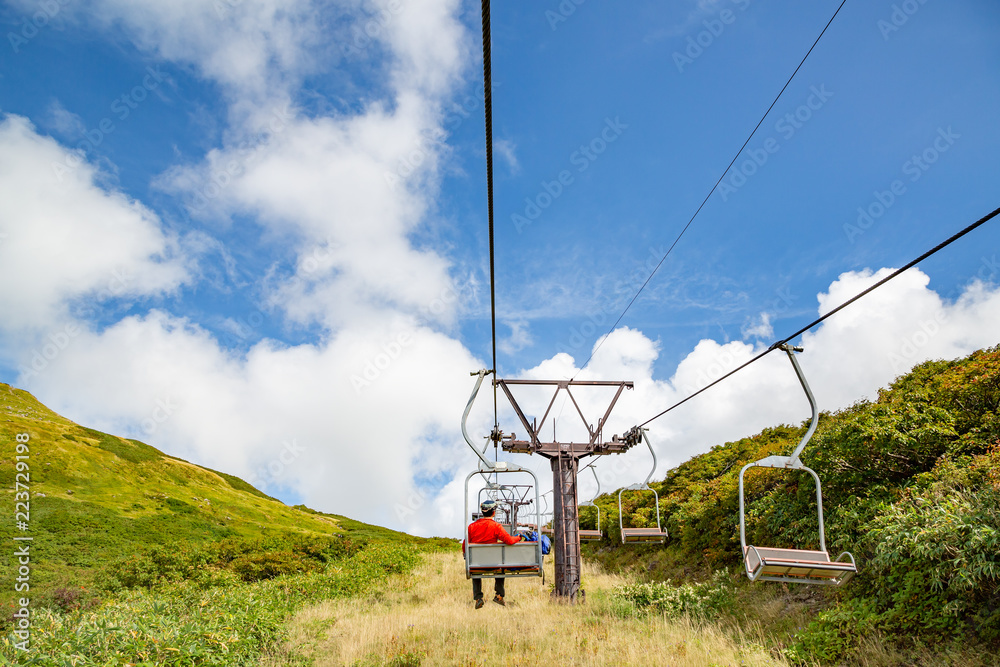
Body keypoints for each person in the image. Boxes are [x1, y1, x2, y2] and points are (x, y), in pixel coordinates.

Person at [463, 499, 524, 608]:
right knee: (501, 566)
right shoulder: (496, 526)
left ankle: (478, 598)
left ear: (482, 512)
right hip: (494, 564)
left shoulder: (471, 527)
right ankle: (499, 595)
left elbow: (464, 545)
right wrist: (518, 537)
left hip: (476, 564)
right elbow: (509, 540)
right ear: (494, 512)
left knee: (475, 571)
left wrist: (465, 555)